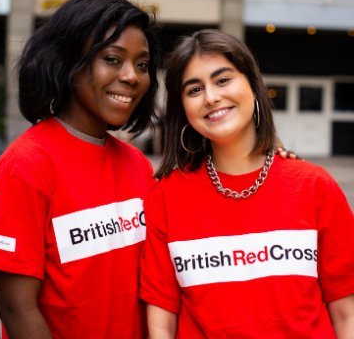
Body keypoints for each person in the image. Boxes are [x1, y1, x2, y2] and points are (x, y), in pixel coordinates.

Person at [140, 29, 354, 338]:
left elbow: (347, 314)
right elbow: (161, 324)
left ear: (253, 87)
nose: (211, 96)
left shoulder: (316, 186)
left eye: (223, 80)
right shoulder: (167, 196)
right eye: (194, 89)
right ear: (183, 108)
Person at [0, 0, 160, 339]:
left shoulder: (137, 164)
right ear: (68, 61)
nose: (132, 77)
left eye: (142, 64)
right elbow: (16, 307)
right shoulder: (26, 166)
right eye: (112, 58)